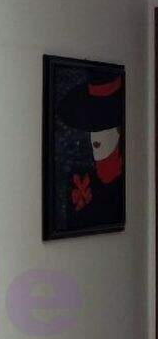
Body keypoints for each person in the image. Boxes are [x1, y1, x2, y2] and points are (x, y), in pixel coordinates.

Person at [56, 68, 123, 229]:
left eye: (104, 125)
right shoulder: (81, 178)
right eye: (94, 128)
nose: (95, 138)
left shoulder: (131, 175)